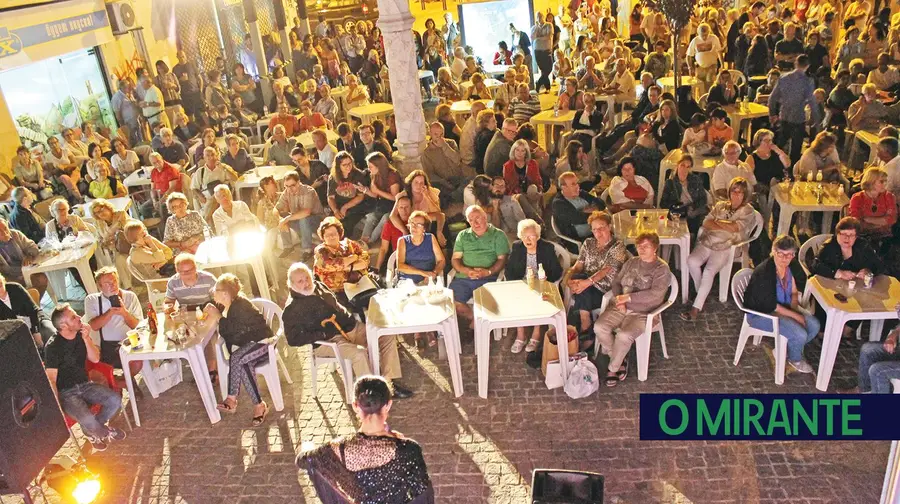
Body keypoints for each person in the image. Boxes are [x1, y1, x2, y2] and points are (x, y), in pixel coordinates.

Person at [298, 375, 429, 499]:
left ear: (355, 406)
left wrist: (307, 446)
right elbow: (422, 495)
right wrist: (399, 442)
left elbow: (303, 461)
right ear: (388, 405)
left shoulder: (337, 449)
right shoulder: (410, 449)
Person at [45, 303, 127, 452]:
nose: (78, 317)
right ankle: (106, 432)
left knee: (115, 400)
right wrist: (57, 406)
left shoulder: (80, 335)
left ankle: (92, 432)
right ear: (63, 325)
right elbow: (51, 379)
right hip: (66, 392)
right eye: (73, 317)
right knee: (87, 418)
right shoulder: (53, 347)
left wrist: (87, 338)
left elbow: (95, 359)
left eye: (76, 314)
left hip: (85, 385)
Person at [593, 232, 671, 387]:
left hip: (644, 312)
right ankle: (620, 358)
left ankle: (613, 368)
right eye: (639, 246)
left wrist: (628, 298)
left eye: (646, 246)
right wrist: (618, 299)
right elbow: (616, 283)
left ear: (655, 248)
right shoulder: (631, 262)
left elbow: (655, 295)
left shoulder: (661, 268)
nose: (641, 249)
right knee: (599, 327)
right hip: (621, 306)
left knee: (624, 336)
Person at [742, 235, 820, 374]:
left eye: (789, 255)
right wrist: (796, 317)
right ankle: (794, 359)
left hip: (782, 309)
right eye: (781, 254)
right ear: (773, 252)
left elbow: (794, 293)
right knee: (800, 333)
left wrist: (795, 309)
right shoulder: (765, 272)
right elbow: (772, 306)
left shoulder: (789, 268)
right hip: (761, 314)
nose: (785, 258)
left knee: (814, 325)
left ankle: (783, 349)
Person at [682, 178, 757, 321]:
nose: (736, 195)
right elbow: (706, 222)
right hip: (708, 241)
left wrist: (716, 223)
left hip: (727, 246)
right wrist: (727, 224)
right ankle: (701, 294)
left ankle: (695, 309)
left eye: (740, 192)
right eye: (733, 191)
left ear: (745, 195)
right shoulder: (721, 205)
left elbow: (736, 228)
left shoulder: (748, 210)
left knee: (709, 271)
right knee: (691, 261)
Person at [206, 274, 272, 426]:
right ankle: (259, 406)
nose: (212, 293)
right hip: (249, 346)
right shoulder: (230, 303)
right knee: (243, 364)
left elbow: (232, 333)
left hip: (263, 343)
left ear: (224, 293)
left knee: (236, 358)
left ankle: (231, 399)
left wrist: (218, 317)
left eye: (215, 290)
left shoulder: (240, 306)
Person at [563, 211, 627, 336]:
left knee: (581, 285)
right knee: (577, 278)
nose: (598, 232)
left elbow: (606, 270)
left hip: (604, 290)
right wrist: (568, 279)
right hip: (585, 285)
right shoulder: (588, 243)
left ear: (609, 227)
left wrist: (586, 283)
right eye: (594, 229)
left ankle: (584, 323)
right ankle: (586, 325)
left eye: (602, 228)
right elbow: (578, 265)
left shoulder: (617, 246)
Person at [504, 219, 563, 352]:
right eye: (525, 236)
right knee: (516, 299)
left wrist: (547, 280)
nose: (528, 240)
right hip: (522, 284)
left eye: (532, 236)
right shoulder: (517, 247)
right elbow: (509, 270)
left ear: (538, 236)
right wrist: (517, 285)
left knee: (539, 299)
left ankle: (536, 334)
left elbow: (557, 271)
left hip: (543, 285)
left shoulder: (547, 248)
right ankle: (521, 335)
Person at [450, 205, 509, 325]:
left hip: (488, 278)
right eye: (471, 220)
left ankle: (477, 328)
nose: (475, 222)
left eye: (477, 218)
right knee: (452, 304)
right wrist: (466, 271)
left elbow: (502, 260)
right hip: (464, 278)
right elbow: (455, 259)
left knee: (487, 305)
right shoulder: (463, 235)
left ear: (485, 217)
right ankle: (475, 320)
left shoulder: (498, 235)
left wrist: (488, 272)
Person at [83, 267, 142, 371]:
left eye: (114, 281)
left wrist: (124, 313)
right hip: (108, 347)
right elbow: (94, 326)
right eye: (107, 283)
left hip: (131, 342)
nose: (112, 285)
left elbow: (138, 326)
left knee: (137, 363)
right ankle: (125, 383)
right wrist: (110, 312)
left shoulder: (130, 296)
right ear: (100, 286)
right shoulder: (92, 300)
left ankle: (126, 382)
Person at [768, 55, 820, 167]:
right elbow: (812, 102)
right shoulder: (808, 81)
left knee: (779, 146)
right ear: (807, 66)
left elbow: (772, 98)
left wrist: (772, 114)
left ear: (795, 64)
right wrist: (816, 119)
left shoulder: (783, 78)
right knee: (795, 150)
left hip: (784, 116)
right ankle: (791, 173)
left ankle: (772, 167)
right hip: (798, 118)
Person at [313, 217, 370, 305]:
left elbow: (365, 258)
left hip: (360, 284)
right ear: (323, 237)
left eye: (334, 233)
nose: (331, 236)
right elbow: (333, 264)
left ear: (339, 234)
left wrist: (349, 267)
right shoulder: (321, 251)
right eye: (327, 235)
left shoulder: (349, 243)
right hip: (338, 292)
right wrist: (354, 257)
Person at [388, 170, 446, 246]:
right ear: (411, 183)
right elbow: (392, 216)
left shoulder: (430, 192)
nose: (419, 185)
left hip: (428, 222)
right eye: (416, 182)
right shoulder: (403, 195)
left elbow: (438, 213)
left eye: (421, 183)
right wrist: (404, 231)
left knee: (440, 224)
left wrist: (426, 196)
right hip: (412, 224)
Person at [278, 170, 325, 259]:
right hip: (300, 222)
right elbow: (276, 208)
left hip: (317, 222)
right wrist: (280, 218)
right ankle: (288, 247)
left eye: (292, 185)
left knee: (303, 218)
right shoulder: (286, 192)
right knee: (282, 216)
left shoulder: (308, 191)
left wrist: (287, 219)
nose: (290, 189)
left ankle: (307, 250)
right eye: (287, 186)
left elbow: (306, 212)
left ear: (299, 182)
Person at [659, 154, 710, 234]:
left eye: (688, 167)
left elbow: (703, 199)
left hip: (695, 211)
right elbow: (663, 203)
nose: (685, 169)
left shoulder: (695, 180)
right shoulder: (670, 183)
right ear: (677, 165)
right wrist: (679, 207)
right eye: (682, 165)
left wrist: (693, 206)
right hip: (680, 214)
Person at [552, 171, 603, 250]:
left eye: (577, 183)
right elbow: (580, 218)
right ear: (564, 187)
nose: (577, 186)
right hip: (581, 241)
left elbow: (601, 203)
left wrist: (587, 210)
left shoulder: (580, 193)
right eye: (573, 184)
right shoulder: (558, 204)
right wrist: (594, 210)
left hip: (597, 232)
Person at [0, 218, 47, 297]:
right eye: (0, 232)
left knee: (42, 279)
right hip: (9, 277)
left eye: (5, 228)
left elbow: (33, 246)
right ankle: (30, 305)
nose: (4, 232)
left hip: (27, 270)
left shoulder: (16, 234)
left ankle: (34, 303)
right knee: (16, 291)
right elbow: (3, 271)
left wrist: (29, 255)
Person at [396, 210, 445, 286]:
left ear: (424, 229)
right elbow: (400, 266)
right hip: (407, 281)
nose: (414, 227)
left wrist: (433, 273)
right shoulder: (402, 241)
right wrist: (423, 273)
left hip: (428, 280)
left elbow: (441, 260)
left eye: (419, 225)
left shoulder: (430, 238)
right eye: (412, 224)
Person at [849, 167, 897, 240]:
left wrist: (867, 219)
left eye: (885, 181)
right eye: (881, 181)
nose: (885, 184)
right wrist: (881, 222)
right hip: (861, 237)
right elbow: (856, 222)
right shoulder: (857, 198)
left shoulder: (889, 196)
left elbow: (892, 219)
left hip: (884, 238)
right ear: (870, 182)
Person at [192, 147, 238, 223]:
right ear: (204, 158)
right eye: (208, 155)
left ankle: (205, 221)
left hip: (222, 197)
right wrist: (199, 195)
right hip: (206, 200)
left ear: (216, 155)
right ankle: (207, 221)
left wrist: (223, 168)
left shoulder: (223, 167)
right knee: (212, 203)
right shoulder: (201, 171)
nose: (211, 158)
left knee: (216, 195)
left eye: (213, 155)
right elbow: (193, 188)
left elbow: (235, 178)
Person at [687, 23, 722, 94]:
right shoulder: (695, 40)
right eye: (702, 35)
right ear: (698, 33)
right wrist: (690, 67)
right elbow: (688, 55)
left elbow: (719, 52)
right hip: (700, 67)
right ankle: (702, 101)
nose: (704, 37)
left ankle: (709, 98)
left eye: (706, 35)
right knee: (701, 85)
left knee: (709, 82)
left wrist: (722, 65)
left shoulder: (714, 38)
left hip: (712, 65)